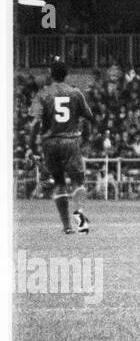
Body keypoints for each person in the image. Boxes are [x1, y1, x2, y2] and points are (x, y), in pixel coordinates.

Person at [26, 56, 94, 234]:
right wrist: (85, 137)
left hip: (49, 142)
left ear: (50, 73)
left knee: (59, 182)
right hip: (70, 141)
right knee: (79, 181)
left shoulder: (43, 93)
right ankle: (80, 219)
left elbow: (34, 124)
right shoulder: (75, 92)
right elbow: (89, 117)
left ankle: (66, 227)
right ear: (67, 74)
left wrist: (30, 147)